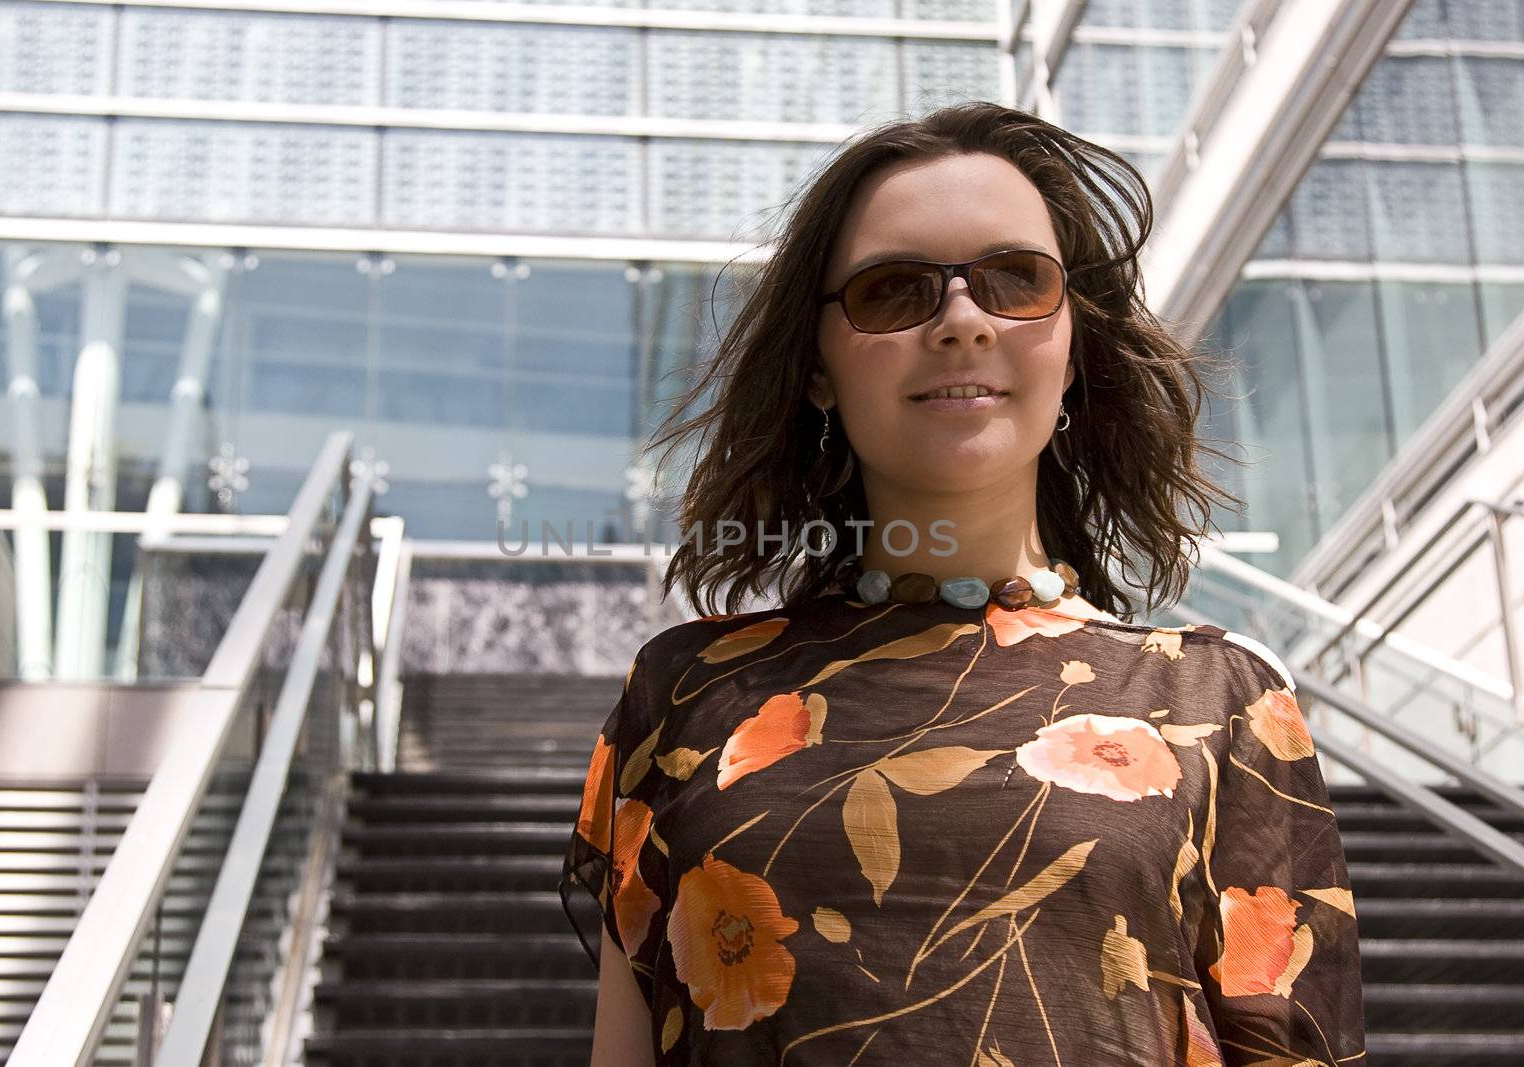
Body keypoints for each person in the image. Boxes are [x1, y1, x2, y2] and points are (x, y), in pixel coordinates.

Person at [558, 100, 1366, 1066]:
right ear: (817, 367)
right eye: (896, 291)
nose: (961, 322)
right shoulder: (683, 695)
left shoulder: (1222, 704)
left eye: (1014, 280)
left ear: (1072, 349)